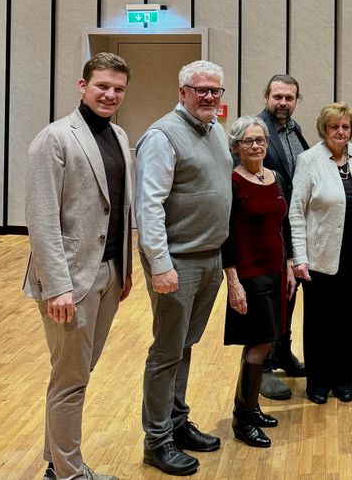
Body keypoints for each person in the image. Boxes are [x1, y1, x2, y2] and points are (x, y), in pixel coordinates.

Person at [23, 53, 133, 480]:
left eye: (118, 89)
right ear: (82, 85)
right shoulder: (54, 138)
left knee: (74, 374)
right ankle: (69, 473)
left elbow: (120, 208)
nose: (110, 95)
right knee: (70, 381)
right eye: (102, 86)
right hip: (70, 279)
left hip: (108, 274)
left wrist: (125, 270)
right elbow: (42, 217)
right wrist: (56, 287)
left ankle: (57, 464)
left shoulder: (120, 136)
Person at [135, 60, 232, 476]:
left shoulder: (214, 130)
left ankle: (176, 422)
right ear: (183, 92)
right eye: (201, 90)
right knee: (166, 351)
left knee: (185, 345)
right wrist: (160, 264)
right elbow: (149, 206)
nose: (209, 96)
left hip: (209, 257)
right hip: (176, 262)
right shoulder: (162, 136)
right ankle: (157, 441)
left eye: (215, 90)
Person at [289, 102, 352, 404]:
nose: (341, 132)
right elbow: (296, 211)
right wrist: (299, 257)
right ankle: (318, 382)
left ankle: (344, 380)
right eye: (335, 127)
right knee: (319, 321)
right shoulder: (309, 160)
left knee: (346, 319)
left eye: (346, 127)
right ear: (324, 129)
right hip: (319, 255)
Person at [223, 116, 296, 448]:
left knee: (266, 341)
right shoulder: (232, 181)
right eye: (248, 141)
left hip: (276, 270)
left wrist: (290, 266)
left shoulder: (275, 177)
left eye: (261, 140)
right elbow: (225, 235)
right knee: (258, 343)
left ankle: (251, 407)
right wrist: (233, 280)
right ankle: (243, 419)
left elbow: (283, 225)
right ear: (236, 146)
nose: (256, 146)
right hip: (249, 275)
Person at [255, 74, 309, 397]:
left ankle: (282, 351)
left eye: (289, 97)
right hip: (266, 230)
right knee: (266, 299)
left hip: (291, 227)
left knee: (289, 293)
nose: (283, 103)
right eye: (278, 96)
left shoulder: (294, 129)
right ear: (266, 96)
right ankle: (260, 368)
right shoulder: (254, 131)